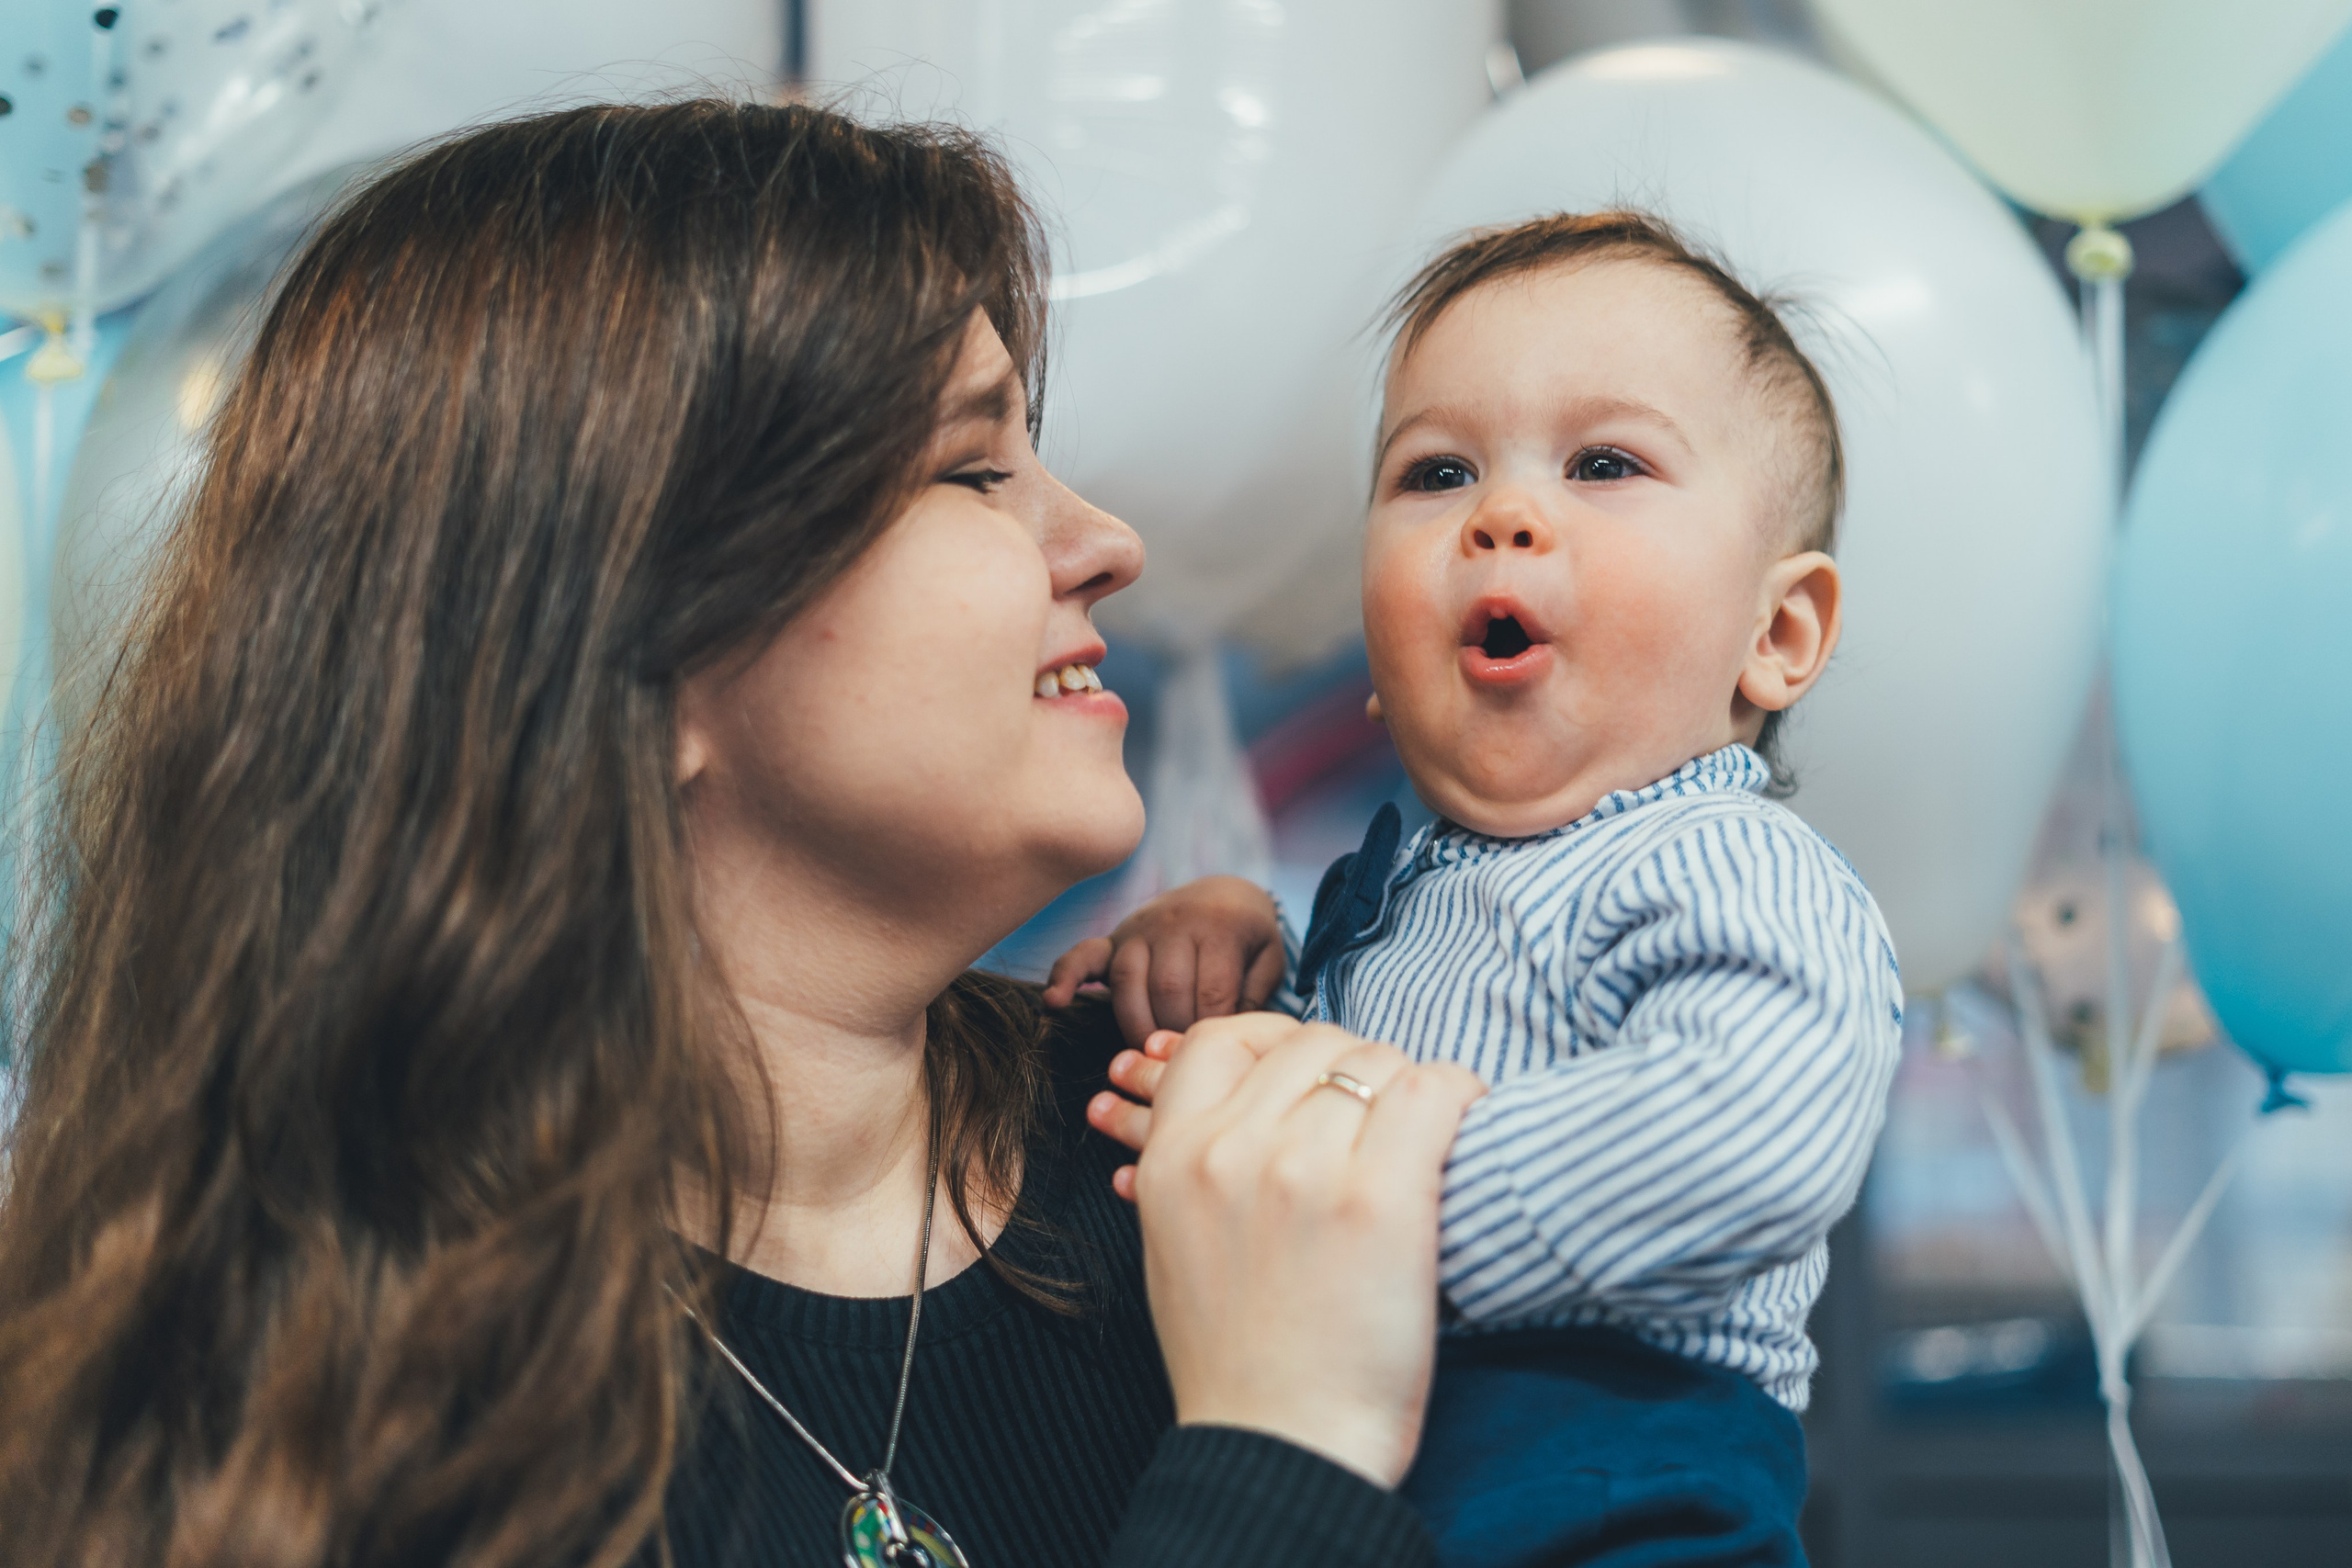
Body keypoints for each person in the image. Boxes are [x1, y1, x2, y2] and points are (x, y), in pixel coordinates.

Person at [0, 101, 1488, 1568]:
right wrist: (1281, 1457)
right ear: (628, 649)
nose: (1107, 543)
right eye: (975, 471)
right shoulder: (287, 1409)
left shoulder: (1179, 1141)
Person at [1051, 212, 1906, 1567]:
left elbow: (1758, 1127)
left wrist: (1365, 1206)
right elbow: (1323, 1075)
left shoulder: (1724, 861)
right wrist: (1233, 953)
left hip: (1617, 1496)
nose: (1503, 514)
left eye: (1606, 463)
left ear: (1777, 634)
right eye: (1437, 472)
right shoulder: (1391, 890)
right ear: (1377, 662)